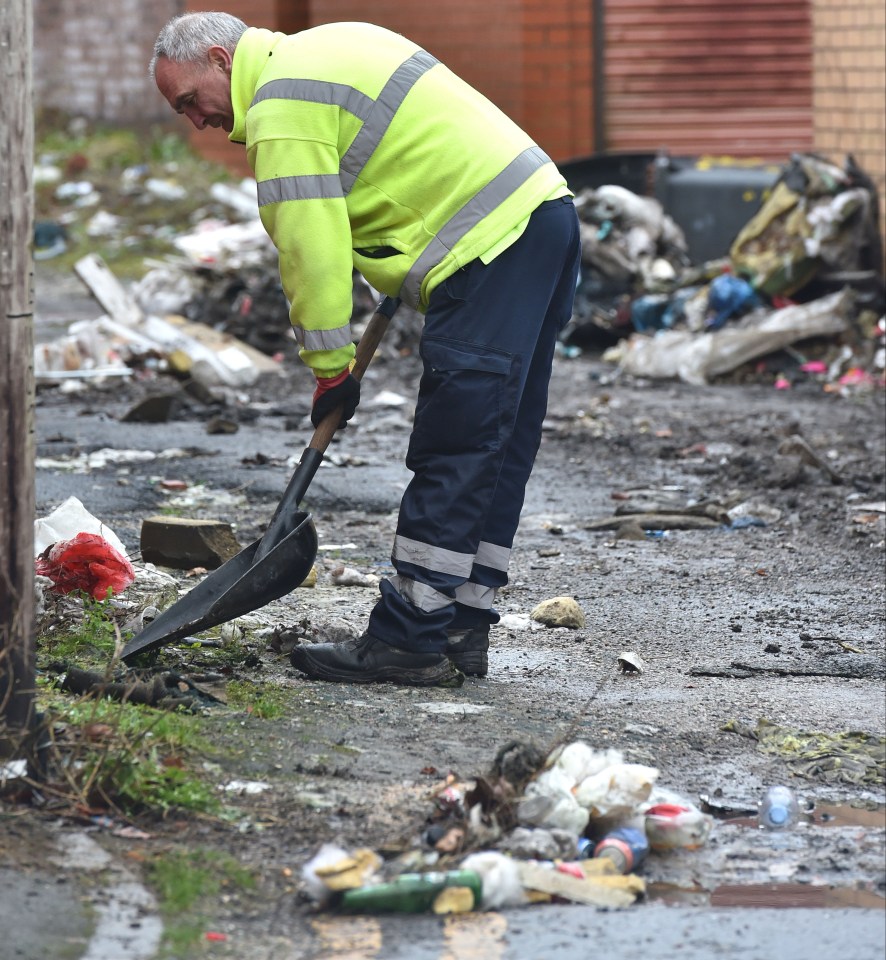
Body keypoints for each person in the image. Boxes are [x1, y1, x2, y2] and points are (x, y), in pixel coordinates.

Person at [151, 12, 581, 687]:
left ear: (219, 59)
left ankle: (408, 639)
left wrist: (330, 370)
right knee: (499, 440)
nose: (196, 121)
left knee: (460, 440)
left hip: (488, 247)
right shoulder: (330, 47)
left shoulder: (280, 107)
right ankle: (461, 626)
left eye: (189, 101)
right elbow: (404, 156)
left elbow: (310, 247)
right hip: (541, 217)